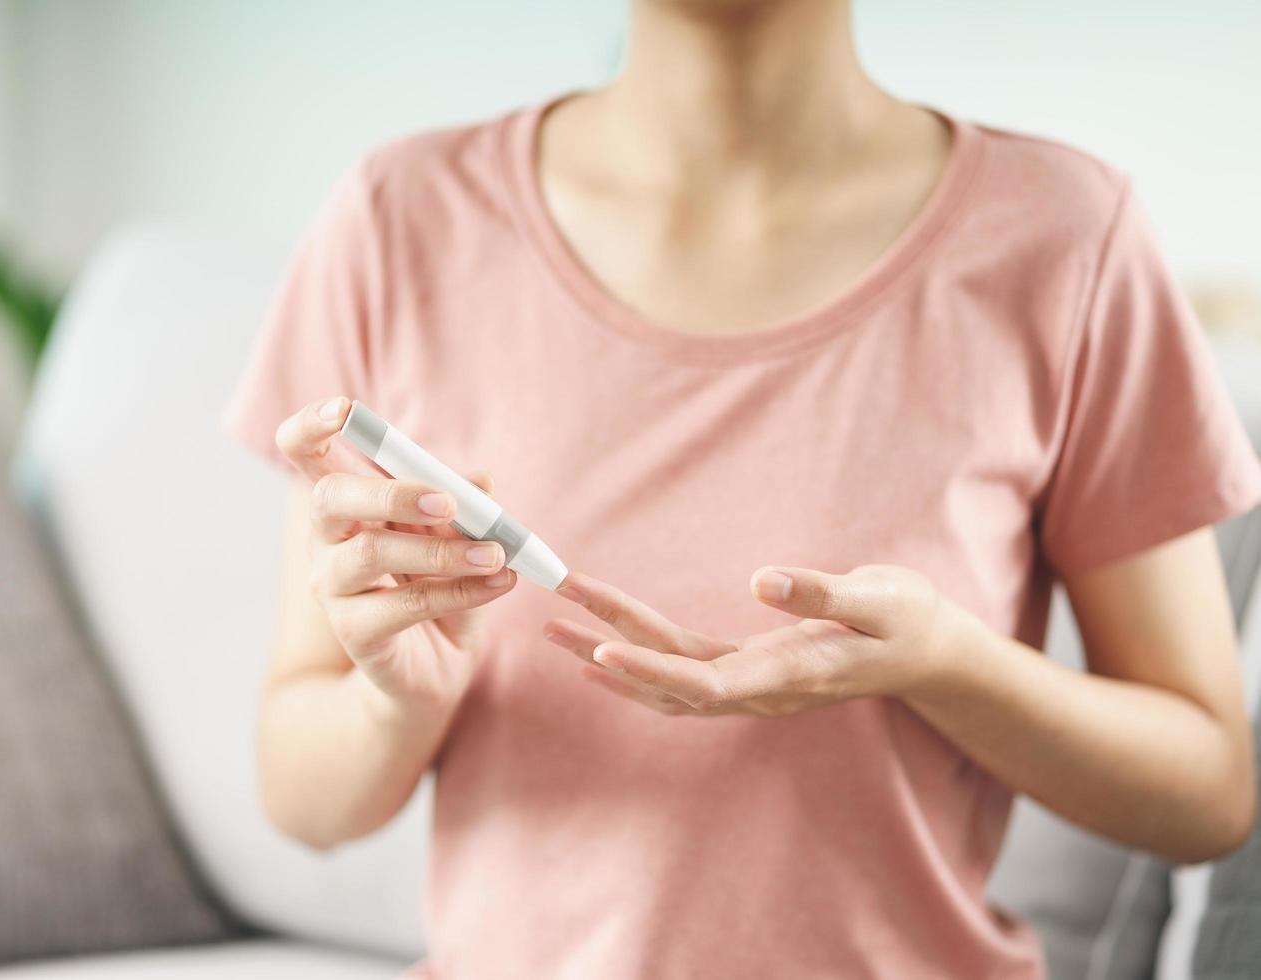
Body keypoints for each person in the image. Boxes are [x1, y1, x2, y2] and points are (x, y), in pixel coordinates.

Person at [224, 1, 1261, 976]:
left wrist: (947, 665)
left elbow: (1208, 791)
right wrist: (397, 701)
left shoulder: (1065, 235)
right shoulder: (398, 219)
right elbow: (302, 795)